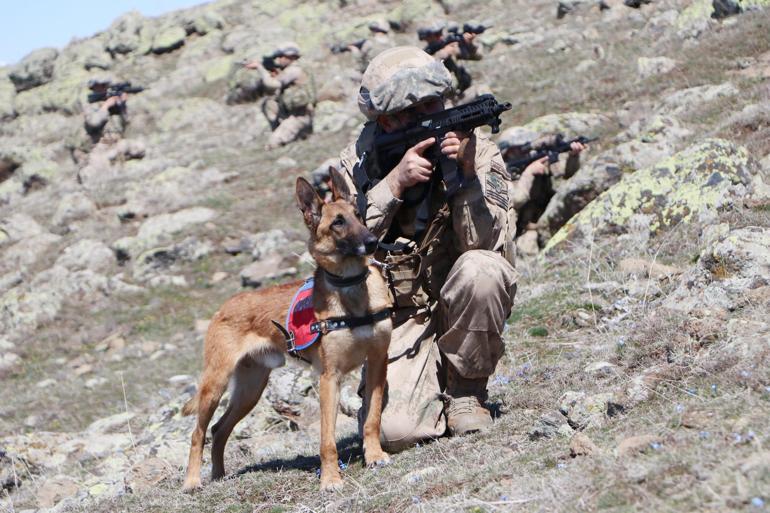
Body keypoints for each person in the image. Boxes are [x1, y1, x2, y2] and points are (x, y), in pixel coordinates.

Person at [336, 46, 519, 448]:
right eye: (411, 113)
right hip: (399, 319)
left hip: (462, 303)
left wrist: (468, 175)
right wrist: (392, 186)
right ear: (386, 122)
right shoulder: (357, 165)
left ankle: (467, 394)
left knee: (482, 270)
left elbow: (488, 247)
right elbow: (341, 252)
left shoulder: (479, 151)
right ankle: (425, 385)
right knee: (396, 434)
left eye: (433, 106)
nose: (427, 119)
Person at [498, 128, 587, 253]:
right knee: (528, 245)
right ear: (507, 153)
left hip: (544, 220)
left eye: (527, 147)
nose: (527, 152)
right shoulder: (500, 174)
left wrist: (573, 156)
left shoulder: (538, 160)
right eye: (519, 149)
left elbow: (569, 175)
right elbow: (516, 200)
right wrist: (529, 173)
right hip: (520, 232)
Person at [75, 76, 145, 184]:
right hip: (101, 145)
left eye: (105, 86)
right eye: (100, 86)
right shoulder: (91, 107)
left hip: (118, 142)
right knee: (94, 173)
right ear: (94, 88)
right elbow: (93, 123)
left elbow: (127, 121)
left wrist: (122, 105)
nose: (103, 88)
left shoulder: (115, 105)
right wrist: (106, 106)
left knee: (140, 148)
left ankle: (115, 158)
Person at [245, 42, 314, 150]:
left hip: (300, 116)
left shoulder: (294, 70)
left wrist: (260, 68)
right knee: (269, 104)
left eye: (281, 56)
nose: (279, 60)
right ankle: (280, 130)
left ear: (290, 56)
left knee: (272, 145)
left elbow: (272, 84)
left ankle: (298, 133)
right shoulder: (293, 68)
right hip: (291, 111)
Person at [418, 21, 488, 106]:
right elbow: (425, 71)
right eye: (436, 34)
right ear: (426, 38)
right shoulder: (424, 56)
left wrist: (469, 45)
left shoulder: (450, 48)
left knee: (483, 91)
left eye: (440, 32)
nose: (440, 36)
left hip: (460, 96)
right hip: (445, 103)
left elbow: (478, 57)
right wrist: (442, 54)